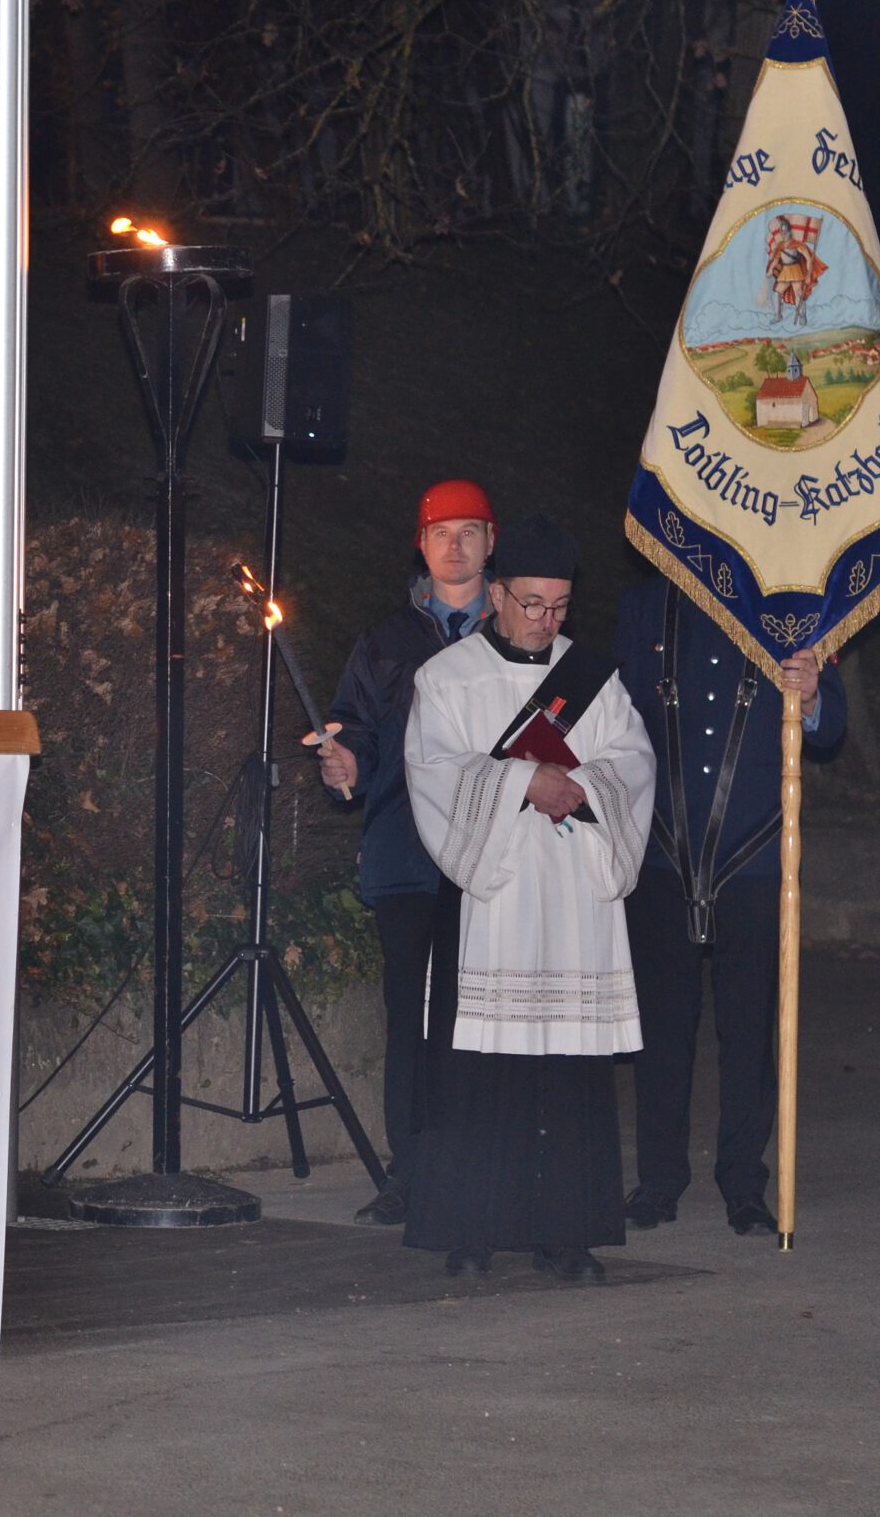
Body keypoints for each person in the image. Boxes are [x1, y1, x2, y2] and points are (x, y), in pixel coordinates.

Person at [400, 514, 655, 1281]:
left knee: (567, 1067)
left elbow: (633, 762)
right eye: (533, 604)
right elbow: (434, 770)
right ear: (497, 597)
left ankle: (566, 1234)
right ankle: (469, 1232)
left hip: (574, 901)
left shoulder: (593, 679)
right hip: (493, 906)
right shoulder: (447, 679)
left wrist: (582, 787)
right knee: (480, 1066)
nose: (547, 621)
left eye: (560, 606)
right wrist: (520, 780)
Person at [612, 579, 843, 1236]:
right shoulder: (649, 599)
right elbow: (617, 712)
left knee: (750, 1028)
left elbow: (831, 728)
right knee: (662, 1028)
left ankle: (744, 1182)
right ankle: (659, 1180)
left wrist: (812, 695)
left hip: (756, 850)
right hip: (664, 846)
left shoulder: (794, 605)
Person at [318, 479, 498, 1225]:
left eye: (468, 532)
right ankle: (411, 1172)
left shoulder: (515, 632)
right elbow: (352, 727)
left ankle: (480, 1166)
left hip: (494, 860)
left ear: (490, 542)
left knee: (484, 1016)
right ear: (420, 546)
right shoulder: (386, 640)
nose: (454, 546)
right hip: (407, 856)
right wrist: (346, 764)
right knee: (411, 1018)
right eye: (440, 534)